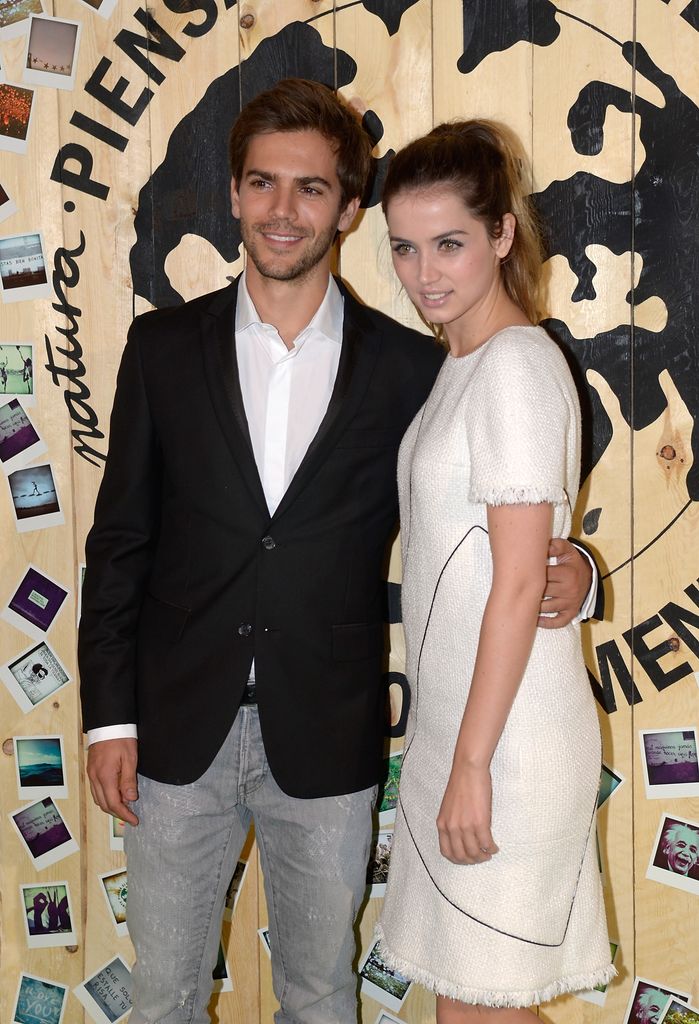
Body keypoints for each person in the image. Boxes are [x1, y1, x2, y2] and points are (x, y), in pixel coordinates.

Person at [79, 81, 598, 1024]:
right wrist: (107, 719)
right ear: (233, 195)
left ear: (347, 208)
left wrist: (575, 567)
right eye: (262, 184)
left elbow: (523, 488)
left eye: (311, 188)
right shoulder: (158, 349)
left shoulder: (412, 365)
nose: (284, 211)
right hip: (172, 729)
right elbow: (119, 543)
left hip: (327, 732)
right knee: (161, 998)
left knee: (321, 997)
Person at [376, 120, 614, 1020]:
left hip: (506, 747)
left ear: (502, 235)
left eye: (449, 244)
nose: (424, 272)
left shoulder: (514, 363)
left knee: (481, 1010)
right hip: (463, 735)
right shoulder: (462, 363)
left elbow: (519, 583)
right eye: (403, 247)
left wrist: (471, 763)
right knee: (466, 1009)